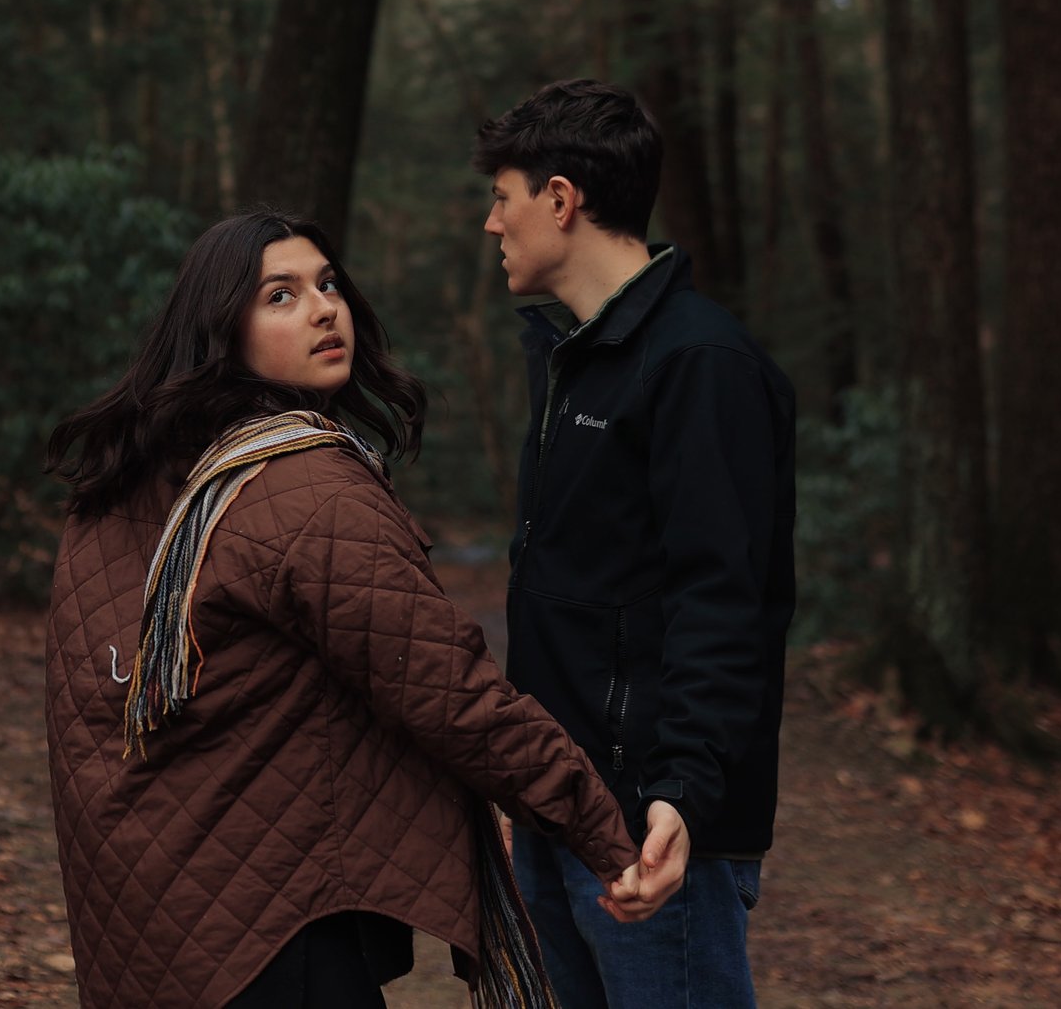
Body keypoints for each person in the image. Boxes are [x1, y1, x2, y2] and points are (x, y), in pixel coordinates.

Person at [44, 209, 643, 1009]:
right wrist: (605, 832)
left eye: (328, 284)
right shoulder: (308, 491)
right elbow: (453, 696)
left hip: (150, 915)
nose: (325, 309)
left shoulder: (130, 477)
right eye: (281, 296)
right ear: (223, 329)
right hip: (273, 927)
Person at [474, 80, 797, 1009]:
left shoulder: (699, 363)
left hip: (655, 832)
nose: (492, 224)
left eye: (504, 197)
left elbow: (723, 598)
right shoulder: (579, 358)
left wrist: (683, 795)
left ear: (562, 200)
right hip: (562, 809)